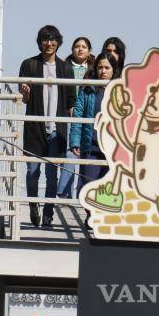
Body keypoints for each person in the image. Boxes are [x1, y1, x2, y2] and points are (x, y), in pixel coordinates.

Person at [19, 25, 75, 227]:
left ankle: (48, 211)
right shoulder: (29, 65)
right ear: (39, 42)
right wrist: (25, 93)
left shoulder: (65, 68)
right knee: (32, 172)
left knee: (53, 175)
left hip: (57, 129)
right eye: (45, 39)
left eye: (52, 40)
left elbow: (71, 102)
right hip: (35, 128)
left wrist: (73, 132)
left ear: (58, 42)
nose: (49, 43)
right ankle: (34, 205)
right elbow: (24, 99)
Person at [69, 52, 122, 227]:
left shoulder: (120, 90)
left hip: (112, 147)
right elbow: (77, 115)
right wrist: (75, 141)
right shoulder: (88, 89)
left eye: (107, 67)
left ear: (114, 70)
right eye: (100, 67)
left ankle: (101, 218)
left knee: (108, 186)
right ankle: (92, 213)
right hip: (90, 144)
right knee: (85, 185)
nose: (103, 71)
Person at [57, 37, 94, 198]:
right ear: (72, 49)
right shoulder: (65, 66)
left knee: (82, 151)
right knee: (69, 151)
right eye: (77, 46)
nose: (80, 49)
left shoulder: (93, 68)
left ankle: (77, 191)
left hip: (87, 112)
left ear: (89, 51)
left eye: (84, 47)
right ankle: (65, 192)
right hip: (68, 111)